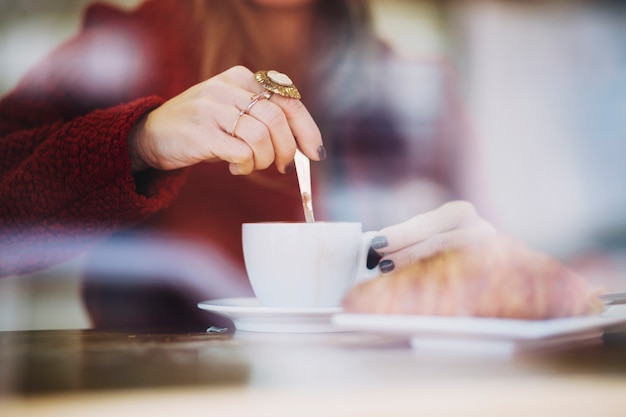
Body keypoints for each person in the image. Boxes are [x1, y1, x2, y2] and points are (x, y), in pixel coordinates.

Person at [0, 0, 494, 330]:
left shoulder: (412, 87)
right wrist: (140, 140)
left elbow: (494, 262)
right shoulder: (123, 51)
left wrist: (479, 272)